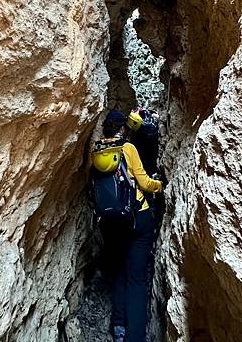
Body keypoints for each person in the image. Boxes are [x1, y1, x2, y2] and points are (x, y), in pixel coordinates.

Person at [94, 110, 163, 342]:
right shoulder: (128, 148)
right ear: (123, 128)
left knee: (119, 272)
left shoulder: (98, 151)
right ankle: (135, 337)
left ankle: (118, 327)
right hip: (137, 220)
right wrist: (159, 185)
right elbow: (143, 181)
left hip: (111, 222)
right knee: (136, 278)